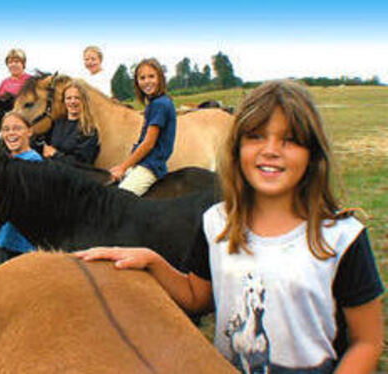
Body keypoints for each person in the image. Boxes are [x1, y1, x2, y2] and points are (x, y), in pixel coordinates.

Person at [76, 80, 384, 373]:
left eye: (289, 140)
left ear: (312, 154)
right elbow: (199, 296)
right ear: (236, 149)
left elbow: (366, 341)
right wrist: (151, 261)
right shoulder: (216, 223)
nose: (270, 150)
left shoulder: (342, 237)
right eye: (256, 136)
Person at [109, 58, 176, 196]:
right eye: (142, 78)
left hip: (150, 167)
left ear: (160, 78)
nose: (147, 82)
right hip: (144, 163)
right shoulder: (154, 103)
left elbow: (148, 144)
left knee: (119, 199)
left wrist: (123, 167)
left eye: (151, 76)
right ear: (137, 82)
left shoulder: (160, 105)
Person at [0, 111, 42, 264]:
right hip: (5, 239)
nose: (11, 133)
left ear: (29, 131)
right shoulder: (9, 160)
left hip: (24, 247)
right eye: (6, 129)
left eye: (17, 128)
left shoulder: (33, 163)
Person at [40, 80, 99, 165]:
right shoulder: (57, 123)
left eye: (77, 98)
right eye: (68, 98)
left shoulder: (89, 129)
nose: (72, 102)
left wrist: (55, 154)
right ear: (64, 101)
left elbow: (83, 163)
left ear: (84, 101)